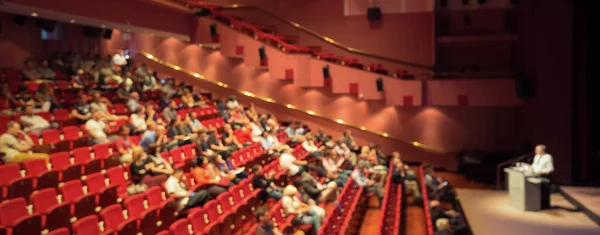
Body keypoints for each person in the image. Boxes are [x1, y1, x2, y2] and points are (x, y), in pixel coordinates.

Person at [531, 144, 554, 209]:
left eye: (537, 149)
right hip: (536, 175)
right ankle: (538, 205)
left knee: (545, 192)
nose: (535, 151)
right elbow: (534, 165)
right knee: (538, 192)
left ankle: (546, 206)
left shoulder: (548, 157)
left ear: (542, 150)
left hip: (544, 176)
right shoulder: (536, 156)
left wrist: (542, 171)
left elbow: (551, 168)